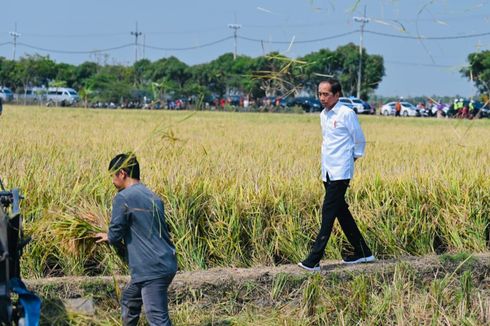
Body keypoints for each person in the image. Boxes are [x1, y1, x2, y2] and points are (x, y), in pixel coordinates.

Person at [298, 78, 374, 272]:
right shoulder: (323, 114)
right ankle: (363, 252)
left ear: (337, 94)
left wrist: (351, 160)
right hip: (328, 170)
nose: (322, 98)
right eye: (320, 94)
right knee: (342, 212)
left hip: (341, 171)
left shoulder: (346, 113)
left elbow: (360, 140)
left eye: (326, 94)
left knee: (328, 213)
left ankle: (314, 259)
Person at [95, 153, 177, 326]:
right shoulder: (153, 196)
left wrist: (111, 238)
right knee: (130, 299)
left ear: (122, 173)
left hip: (151, 267)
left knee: (157, 319)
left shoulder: (123, 197)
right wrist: (110, 236)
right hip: (165, 261)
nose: (112, 181)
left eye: (113, 176)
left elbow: (116, 233)